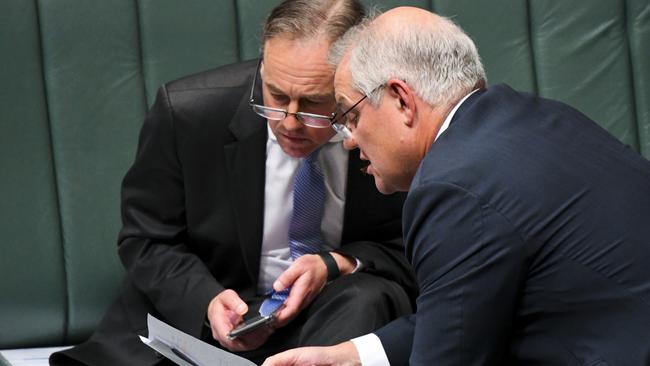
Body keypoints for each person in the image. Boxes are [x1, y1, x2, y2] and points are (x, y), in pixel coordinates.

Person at [263, 6, 650, 366]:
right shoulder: (533, 117)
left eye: (351, 114)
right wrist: (350, 356)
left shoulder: (452, 186)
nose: (348, 139)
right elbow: (461, 313)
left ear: (401, 100)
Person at [50, 1, 417, 365]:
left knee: (369, 299)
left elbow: (413, 244)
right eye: (275, 95)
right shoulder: (187, 114)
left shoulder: (392, 127)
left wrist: (335, 263)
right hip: (200, 321)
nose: (289, 122)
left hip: (332, 322)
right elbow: (146, 238)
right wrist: (206, 301)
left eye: (312, 103)